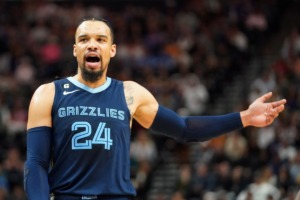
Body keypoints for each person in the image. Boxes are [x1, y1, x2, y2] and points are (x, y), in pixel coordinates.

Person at [23, 18, 287, 200]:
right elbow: (36, 163)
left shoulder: (130, 93)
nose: (92, 44)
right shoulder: (49, 93)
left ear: (112, 50)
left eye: (101, 39)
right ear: (75, 50)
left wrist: (244, 117)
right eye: (84, 39)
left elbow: (183, 129)